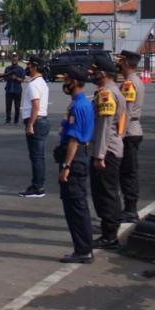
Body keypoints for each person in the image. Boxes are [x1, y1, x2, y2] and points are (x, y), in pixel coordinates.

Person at [56, 68, 95, 264]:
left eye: (68, 80)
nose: (65, 83)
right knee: (77, 207)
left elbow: (74, 139)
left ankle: (83, 250)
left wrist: (66, 166)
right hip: (77, 156)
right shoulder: (80, 103)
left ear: (76, 82)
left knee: (76, 208)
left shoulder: (79, 105)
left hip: (74, 159)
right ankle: (83, 248)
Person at [88, 63, 127, 250]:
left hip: (106, 150)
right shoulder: (113, 91)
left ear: (103, 73)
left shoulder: (106, 94)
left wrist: (99, 155)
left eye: (95, 71)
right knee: (110, 191)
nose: (92, 74)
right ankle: (111, 227)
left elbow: (104, 127)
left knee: (104, 193)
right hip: (113, 147)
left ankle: (109, 235)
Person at [117, 50, 144, 220]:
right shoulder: (134, 80)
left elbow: (125, 112)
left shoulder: (129, 83)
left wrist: (119, 135)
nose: (118, 64)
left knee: (128, 172)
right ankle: (129, 207)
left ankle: (130, 209)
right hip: (132, 130)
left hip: (129, 131)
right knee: (128, 171)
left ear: (126, 62)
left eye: (120, 61)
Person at [20, 55, 50, 198]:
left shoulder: (34, 84)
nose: (27, 67)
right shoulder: (41, 82)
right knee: (38, 157)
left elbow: (36, 106)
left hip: (36, 122)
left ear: (35, 67)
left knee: (36, 157)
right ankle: (37, 185)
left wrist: (30, 124)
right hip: (41, 121)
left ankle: (38, 187)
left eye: (29, 65)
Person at [3, 53, 26, 124]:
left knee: (17, 106)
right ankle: (8, 119)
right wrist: (7, 77)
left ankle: (16, 120)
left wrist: (16, 78)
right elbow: (4, 78)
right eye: (13, 60)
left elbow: (22, 79)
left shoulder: (20, 69)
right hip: (9, 90)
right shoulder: (7, 68)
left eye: (15, 60)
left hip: (17, 90)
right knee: (8, 106)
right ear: (11, 60)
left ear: (17, 60)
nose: (14, 61)